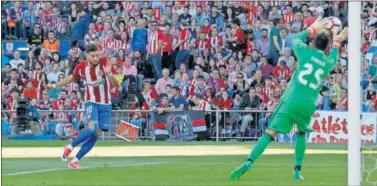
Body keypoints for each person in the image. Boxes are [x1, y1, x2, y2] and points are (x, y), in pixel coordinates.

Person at [229, 18, 348, 180]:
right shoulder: (327, 62)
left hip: (292, 99)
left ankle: (248, 162)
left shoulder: (305, 51)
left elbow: (294, 39)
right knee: (300, 133)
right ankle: (297, 171)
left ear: (312, 43)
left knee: (270, 133)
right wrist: (337, 41)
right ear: (326, 47)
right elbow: (334, 56)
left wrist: (312, 28)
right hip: (308, 104)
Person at [46, 44, 118, 169]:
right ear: (86, 56)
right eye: (93, 56)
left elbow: (116, 84)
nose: (96, 58)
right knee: (92, 128)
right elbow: (70, 78)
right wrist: (54, 85)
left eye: (97, 55)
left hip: (106, 103)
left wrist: (110, 75)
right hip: (91, 101)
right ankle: (70, 146)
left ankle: (75, 160)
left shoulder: (105, 62)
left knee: (97, 133)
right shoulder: (81, 67)